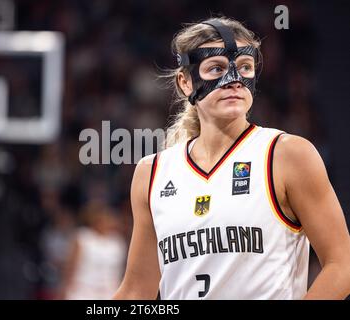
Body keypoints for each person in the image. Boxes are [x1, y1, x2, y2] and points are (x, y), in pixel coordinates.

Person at [113, 17, 350, 300]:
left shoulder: (287, 154)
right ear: (186, 82)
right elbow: (137, 290)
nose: (234, 80)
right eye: (217, 68)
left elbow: (343, 264)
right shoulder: (151, 172)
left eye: (245, 68)